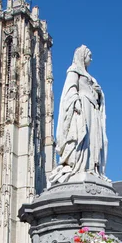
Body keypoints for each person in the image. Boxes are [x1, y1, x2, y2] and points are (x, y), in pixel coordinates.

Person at [48, 45, 108, 185]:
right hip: (82, 109)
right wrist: (75, 102)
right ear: (82, 56)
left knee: (93, 139)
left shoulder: (90, 77)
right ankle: (79, 166)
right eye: (89, 56)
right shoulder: (74, 71)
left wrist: (98, 93)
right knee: (81, 138)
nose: (91, 59)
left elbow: (98, 97)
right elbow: (70, 89)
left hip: (92, 111)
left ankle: (90, 167)